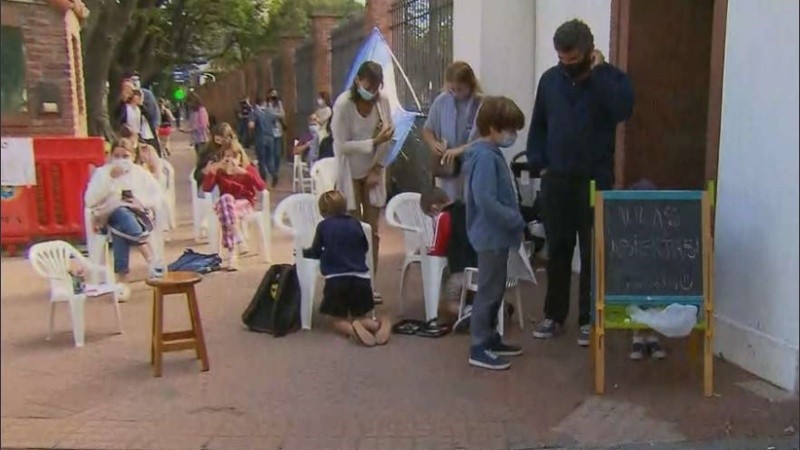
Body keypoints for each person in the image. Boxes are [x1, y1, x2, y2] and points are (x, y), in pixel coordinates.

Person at [527, 19, 634, 347]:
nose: (567, 66)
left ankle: (589, 318)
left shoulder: (610, 79)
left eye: (573, 60)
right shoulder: (549, 81)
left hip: (594, 180)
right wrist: (539, 165)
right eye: (562, 59)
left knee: (592, 252)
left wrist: (599, 74)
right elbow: (539, 127)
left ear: (588, 52)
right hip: (556, 181)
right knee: (557, 249)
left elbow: (623, 110)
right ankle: (554, 315)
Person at [464, 96, 527, 371]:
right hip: (491, 235)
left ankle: (490, 337)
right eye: (509, 130)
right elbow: (486, 199)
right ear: (492, 127)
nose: (512, 136)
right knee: (489, 291)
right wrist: (515, 219)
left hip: (496, 236)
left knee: (496, 288)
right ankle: (479, 345)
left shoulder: (489, 154)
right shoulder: (486, 158)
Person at [331, 61, 394, 297]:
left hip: (372, 172)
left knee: (372, 231)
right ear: (358, 80)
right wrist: (372, 142)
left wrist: (377, 168)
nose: (373, 91)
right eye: (369, 85)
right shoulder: (344, 105)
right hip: (349, 171)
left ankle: (370, 284)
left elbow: (389, 135)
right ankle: (352, 282)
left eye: (377, 87)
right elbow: (342, 144)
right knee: (352, 229)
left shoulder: (383, 102)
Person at [302, 190, 391, 347]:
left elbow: (315, 251)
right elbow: (364, 247)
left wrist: (303, 252)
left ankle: (352, 330)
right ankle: (374, 326)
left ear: (323, 211)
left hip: (336, 280)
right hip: (361, 278)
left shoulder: (323, 226)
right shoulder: (355, 223)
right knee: (361, 315)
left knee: (337, 320)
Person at [84, 136, 163, 301]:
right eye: (117, 156)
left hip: (136, 216)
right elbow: (90, 200)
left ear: (133, 157)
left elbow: (157, 196)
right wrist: (109, 180)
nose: (121, 160)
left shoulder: (140, 173)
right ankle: (150, 258)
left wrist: (140, 202)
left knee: (121, 227)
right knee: (119, 211)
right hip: (107, 216)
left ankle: (122, 281)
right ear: (111, 156)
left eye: (125, 156)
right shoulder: (103, 173)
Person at [422, 61, 483, 201]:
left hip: (473, 167)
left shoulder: (480, 105)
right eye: (452, 89)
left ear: (470, 85)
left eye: (460, 89)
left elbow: (485, 139)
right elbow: (427, 129)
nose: (455, 94)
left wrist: (460, 150)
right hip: (448, 171)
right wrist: (433, 143)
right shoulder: (441, 101)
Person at [201, 141, 266, 271]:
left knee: (225, 207)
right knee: (226, 200)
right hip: (227, 205)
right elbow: (206, 189)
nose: (231, 160)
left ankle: (233, 254)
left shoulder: (248, 169)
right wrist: (211, 172)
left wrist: (245, 173)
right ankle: (238, 239)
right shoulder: (220, 172)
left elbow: (261, 186)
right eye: (227, 157)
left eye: (234, 156)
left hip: (244, 203)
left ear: (240, 157)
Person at [420, 187, 477, 322]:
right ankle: (495, 308)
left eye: (430, 216)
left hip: (460, 271)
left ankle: (470, 313)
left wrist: (427, 250)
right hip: (479, 265)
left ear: (434, 209)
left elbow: (438, 249)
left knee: (446, 304)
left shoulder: (443, 216)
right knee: (473, 294)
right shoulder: (467, 209)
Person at [626, 179, 666, 361]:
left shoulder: (661, 229)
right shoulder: (626, 229)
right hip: (634, 284)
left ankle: (651, 336)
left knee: (655, 290)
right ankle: (638, 336)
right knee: (636, 290)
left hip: (655, 283)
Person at [114, 87, 161, 157]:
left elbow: (149, 116)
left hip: (137, 133)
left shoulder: (140, 108)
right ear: (133, 97)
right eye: (137, 97)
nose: (138, 99)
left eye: (140, 97)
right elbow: (119, 119)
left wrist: (141, 104)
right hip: (127, 132)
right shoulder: (125, 107)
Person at [249, 96, 279, 185]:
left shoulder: (255, 112)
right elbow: (274, 124)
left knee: (261, 159)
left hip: (260, 137)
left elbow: (251, 125)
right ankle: (274, 173)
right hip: (270, 138)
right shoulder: (270, 112)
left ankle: (263, 179)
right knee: (270, 158)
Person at [121, 71, 160, 135]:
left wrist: (155, 127)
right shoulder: (123, 101)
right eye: (132, 80)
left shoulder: (147, 95)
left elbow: (153, 112)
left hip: (144, 131)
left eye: (136, 80)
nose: (134, 82)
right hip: (127, 132)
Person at [265, 88, 286, 175]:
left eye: (275, 94)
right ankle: (272, 170)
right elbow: (267, 115)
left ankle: (276, 170)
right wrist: (275, 115)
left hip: (278, 131)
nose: (274, 96)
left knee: (277, 153)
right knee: (271, 153)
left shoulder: (279, 104)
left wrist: (274, 115)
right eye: (272, 94)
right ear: (269, 94)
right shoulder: (266, 104)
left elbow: (282, 114)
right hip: (269, 132)